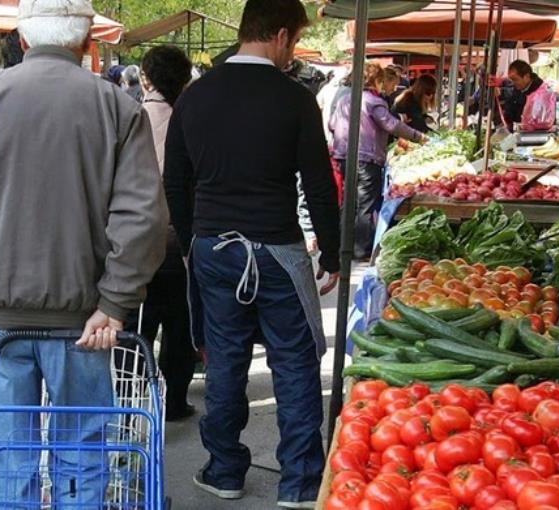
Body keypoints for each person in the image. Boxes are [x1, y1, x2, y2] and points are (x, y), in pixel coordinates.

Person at [0, 0, 168, 506]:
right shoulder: (118, 108)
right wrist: (114, 302)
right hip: (85, 320)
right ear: (88, 43)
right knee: (82, 453)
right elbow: (144, 218)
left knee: (5, 453)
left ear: (22, 39)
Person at [163, 0, 340, 508]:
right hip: (278, 250)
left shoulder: (194, 98)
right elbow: (319, 187)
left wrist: (199, 239)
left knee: (224, 362)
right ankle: (301, 482)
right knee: (295, 364)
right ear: (281, 36)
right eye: (294, 42)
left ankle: (224, 472)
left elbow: (175, 181)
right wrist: (330, 251)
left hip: (215, 250)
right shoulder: (294, 98)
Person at [129, 45, 198, 421]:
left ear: (146, 77)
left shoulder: (130, 117)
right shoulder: (191, 120)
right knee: (179, 325)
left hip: (137, 244)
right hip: (182, 243)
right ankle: (174, 403)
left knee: (138, 326)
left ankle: (133, 409)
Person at [330, 62, 425, 260]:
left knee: (349, 202)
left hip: (344, 156)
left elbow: (332, 124)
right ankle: (361, 249)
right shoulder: (373, 101)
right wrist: (418, 136)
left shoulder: (345, 99)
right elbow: (390, 124)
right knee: (365, 203)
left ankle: (342, 244)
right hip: (367, 158)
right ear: (377, 81)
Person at [504, 59, 548, 127]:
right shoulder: (517, 89)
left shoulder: (540, 92)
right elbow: (510, 113)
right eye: (511, 79)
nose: (513, 83)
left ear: (526, 76)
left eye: (515, 79)